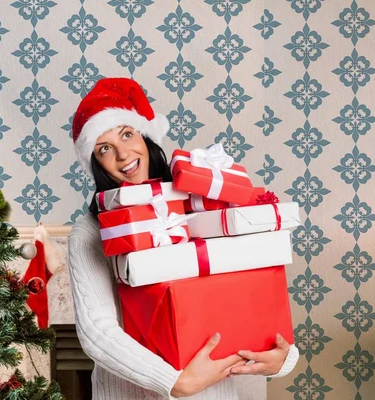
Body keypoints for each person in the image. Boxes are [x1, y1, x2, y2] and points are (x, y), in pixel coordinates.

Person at [67, 78, 299, 399]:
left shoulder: (201, 204)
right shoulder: (89, 233)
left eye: (127, 134)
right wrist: (174, 381)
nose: (123, 154)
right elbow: (98, 332)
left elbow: (248, 293)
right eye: (105, 148)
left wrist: (283, 357)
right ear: (95, 163)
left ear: (145, 136)